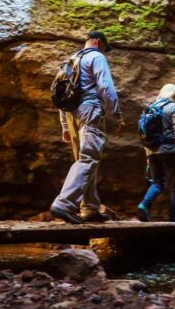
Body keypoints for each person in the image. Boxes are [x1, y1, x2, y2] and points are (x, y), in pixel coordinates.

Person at [50, 31, 125, 224]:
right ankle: (64, 204)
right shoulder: (96, 57)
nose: (105, 52)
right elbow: (106, 87)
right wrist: (116, 115)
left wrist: (65, 125)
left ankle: (90, 208)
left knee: (84, 160)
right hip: (89, 110)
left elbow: (61, 92)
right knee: (89, 158)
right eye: (105, 48)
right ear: (98, 42)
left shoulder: (71, 59)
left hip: (71, 112)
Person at [137, 83, 175, 222]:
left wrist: (148, 156)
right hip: (169, 151)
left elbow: (144, 134)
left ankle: (144, 205)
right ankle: (174, 219)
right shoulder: (173, 107)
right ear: (174, 95)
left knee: (157, 183)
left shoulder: (149, 109)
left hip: (152, 151)